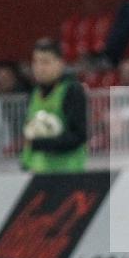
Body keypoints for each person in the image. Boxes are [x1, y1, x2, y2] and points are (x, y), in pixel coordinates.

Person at [21, 38, 88, 173]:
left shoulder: (72, 90)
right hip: (37, 171)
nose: (39, 68)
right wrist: (25, 164)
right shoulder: (33, 93)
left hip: (67, 172)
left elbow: (78, 136)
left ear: (60, 63)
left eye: (45, 62)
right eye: (36, 62)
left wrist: (40, 144)